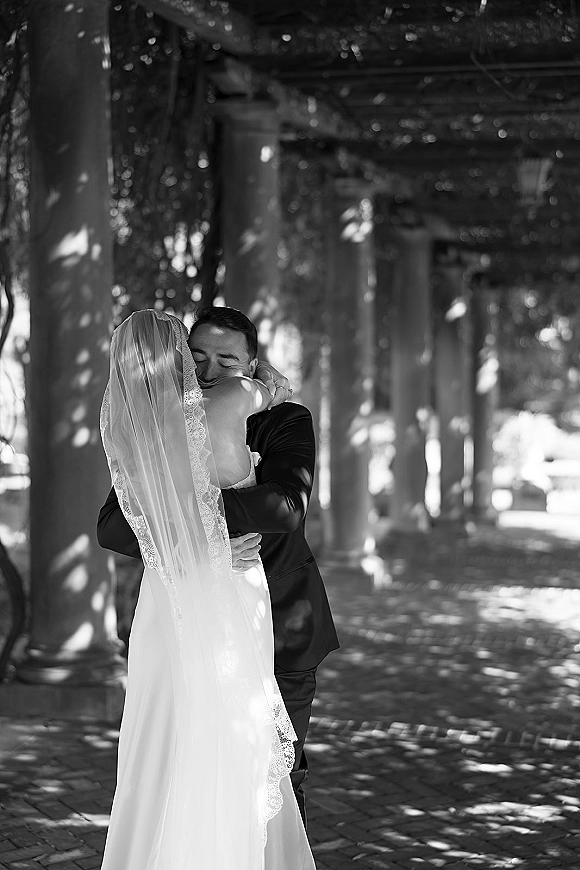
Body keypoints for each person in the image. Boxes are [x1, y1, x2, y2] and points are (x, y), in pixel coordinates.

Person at [97, 306, 339, 824]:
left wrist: (185, 521)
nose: (208, 371)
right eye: (197, 355)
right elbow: (112, 525)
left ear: (251, 367)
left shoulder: (287, 420)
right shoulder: (159, 426)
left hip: (281, 617)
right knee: (196, 761)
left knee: (277, 765)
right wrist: (192, 540)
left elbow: (286, 507)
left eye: (226, 361)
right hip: (197, 627)